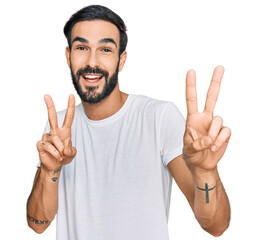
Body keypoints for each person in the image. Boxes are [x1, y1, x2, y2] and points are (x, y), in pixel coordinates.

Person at [26, 5, 231, 240]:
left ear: (121, 60)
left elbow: (216, 226)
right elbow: (38, 224)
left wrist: (206, 172)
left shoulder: (158, 117)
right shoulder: (59, 126)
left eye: (105, 49)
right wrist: (49, 170)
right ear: (68, 56)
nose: (92, 61)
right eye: (82, 47)